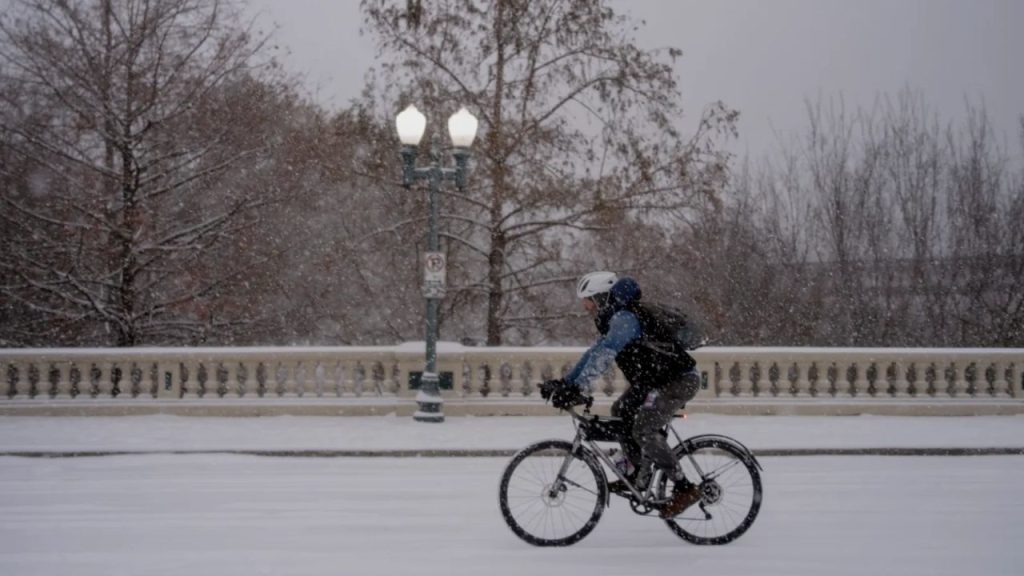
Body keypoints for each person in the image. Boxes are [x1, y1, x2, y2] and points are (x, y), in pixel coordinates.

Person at [540, 271, 702, 518]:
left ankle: (684, 488)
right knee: (620, 411)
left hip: (677, 380)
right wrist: (566, 383)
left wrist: (577, 387)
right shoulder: (614, 319)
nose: (586, 307)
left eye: (589, 300)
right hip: (654, 382)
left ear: (602, 297)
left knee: (644, 429)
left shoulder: (626, 319)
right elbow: (593, 353)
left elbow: (605, 354)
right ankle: (636, 471)